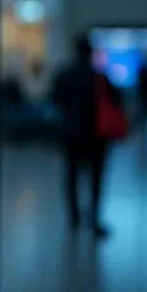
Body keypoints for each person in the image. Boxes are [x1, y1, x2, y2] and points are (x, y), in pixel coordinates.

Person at [51, 36, 121, 238]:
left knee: (71, 175)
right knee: (96, 178)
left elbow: (54, 98)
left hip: (71, 133)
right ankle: (94, 219)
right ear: (91, 53)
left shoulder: (65, 74)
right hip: (96, 135)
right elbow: (115, 103)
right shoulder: (99, 77)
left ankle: (74, 218)